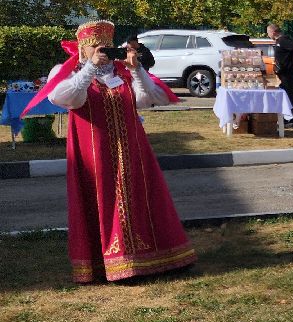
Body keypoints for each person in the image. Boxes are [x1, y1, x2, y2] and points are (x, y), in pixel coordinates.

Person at [41, 20, 196, 284]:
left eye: (106, 47)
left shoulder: (122, 72)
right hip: (94, 152)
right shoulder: (70, 72)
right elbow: (67, 99)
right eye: (94, 47)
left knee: (140, 198)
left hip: (132, 149)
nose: (102, 52)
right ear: (83, 48)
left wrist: (137, 70)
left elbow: (147, 100)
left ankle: (156, 258)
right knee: (103, 200)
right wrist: (90, 67)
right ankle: (111, 263)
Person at [267, 22, 293, 126]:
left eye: (268, 32)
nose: (267, 35)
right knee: (284, 96)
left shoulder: (283, 40)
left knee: (289, 95)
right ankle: (287, 118)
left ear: (273, 32)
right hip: (282, 72)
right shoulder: (279, 41)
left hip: (287, 73)